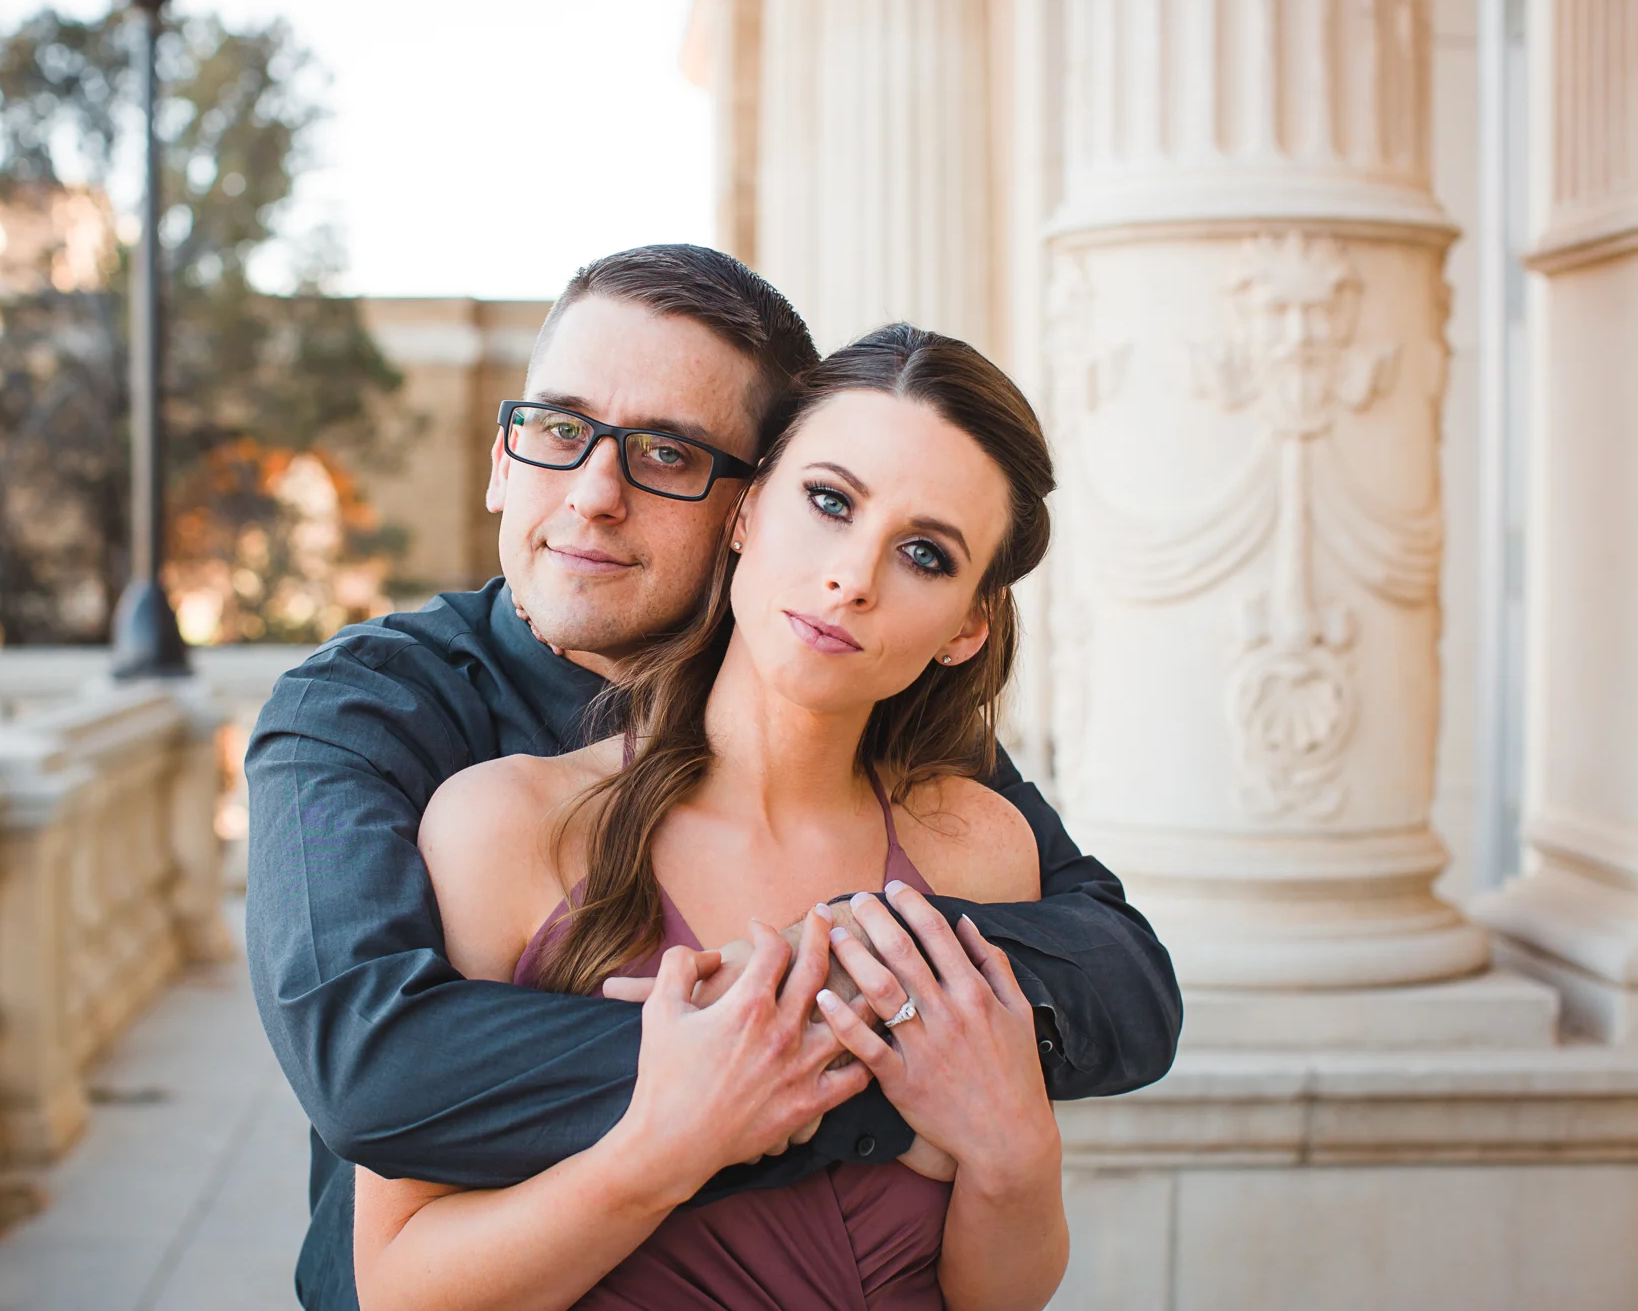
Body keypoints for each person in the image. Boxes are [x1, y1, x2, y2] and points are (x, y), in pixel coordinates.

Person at [246, 246, 1181, 1311]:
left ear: (738, 501)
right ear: (503, 457)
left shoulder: (919, 769)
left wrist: (868, 992)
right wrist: (821, 1061)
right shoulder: (377, 723)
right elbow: (373, 1070)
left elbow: (1123, 981)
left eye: (665, 453)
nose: (593, 495)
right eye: (559, 429)